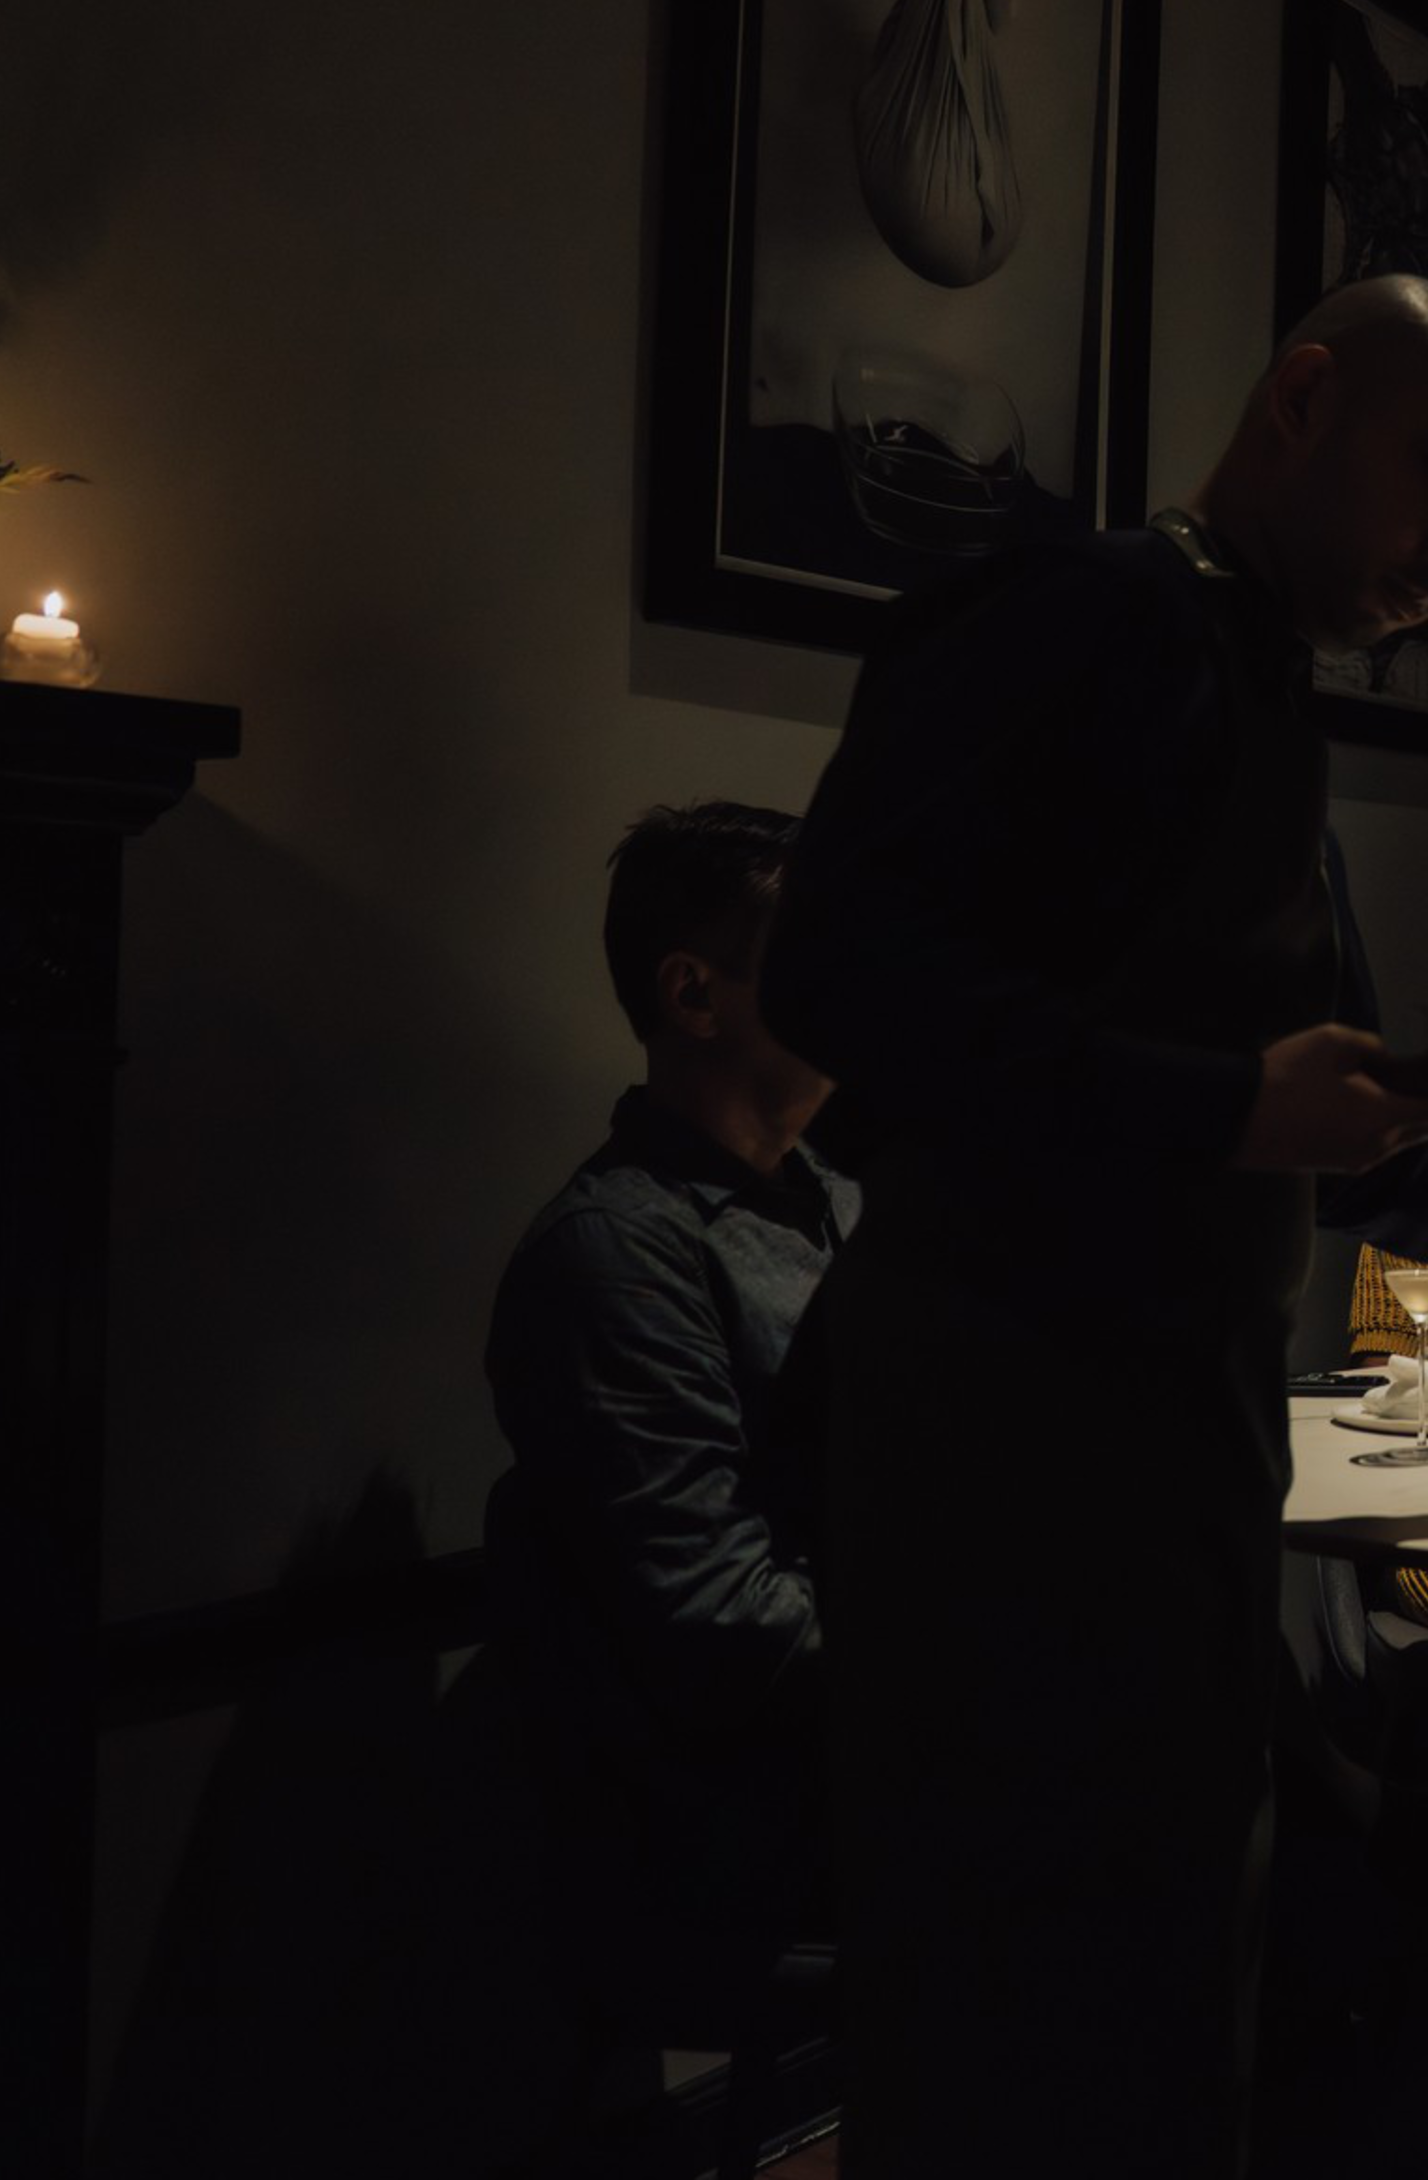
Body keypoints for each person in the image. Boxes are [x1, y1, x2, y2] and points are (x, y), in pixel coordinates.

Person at [758, 276, 1428, 2175]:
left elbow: (1344, 1142)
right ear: (1302, 396)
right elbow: (832, 977)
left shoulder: (1265, 701)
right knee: (1010, 2031)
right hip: (1001, 1460)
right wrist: (1222, 1106)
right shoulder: (1079, 608)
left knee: (1162, 2018)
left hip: (1181, 1468)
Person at [474, 800, 847, 2036]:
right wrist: (981, 1645)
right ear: (694, 994)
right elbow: (721, 1624)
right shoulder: (619, 1254)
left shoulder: (834, 1201)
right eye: (827, 948)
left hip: (878, 1750)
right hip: (751, 1817)